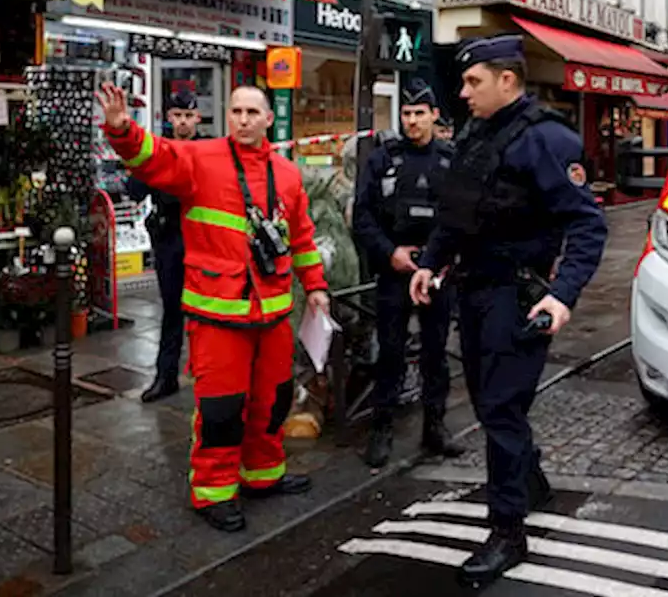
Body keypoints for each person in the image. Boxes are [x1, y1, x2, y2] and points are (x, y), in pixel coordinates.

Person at [409, 35, 607, 586]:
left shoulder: (545, 141)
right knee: (490, 401)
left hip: (516, 298)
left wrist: (562, 294)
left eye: (473, 82)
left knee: (498, 410)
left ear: (507, 81)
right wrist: (430, 261)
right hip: (473, 292)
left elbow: (588, 225)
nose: (463, 92)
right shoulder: (478, 133)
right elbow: (457, 212)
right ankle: (531, 480)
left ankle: (507, 532)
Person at [97, 82, 331, 533]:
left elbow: (300, 237)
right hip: (217, 315)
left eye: (251, 112)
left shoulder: (286, 174)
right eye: (235, 111)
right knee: (221, 411)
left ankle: (262, 476)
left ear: (268, 120)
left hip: (274, 314)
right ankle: (213, 491)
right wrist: (122, 128)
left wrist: (316, 286)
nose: (242, 119)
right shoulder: (200, 159)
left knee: (273, 402)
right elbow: (154, 158)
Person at [353, 79, 464, 468]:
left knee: (436, 353)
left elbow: (462, 218)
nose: (412, 121)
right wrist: (390, 253)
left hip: (437, 274)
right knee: (391, 353)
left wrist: (439, 260)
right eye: (406, 114)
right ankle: (381, 430)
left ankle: (435, 428)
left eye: (420, 113)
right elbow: (362, 216)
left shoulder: (452, 160)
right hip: (394, 272)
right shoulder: (382, 158)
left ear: (435, 115)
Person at [124, 89, 201, 403]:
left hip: (202, 238)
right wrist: (152, 165)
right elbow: (134, 190)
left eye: (188, 116)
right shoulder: (158, 150)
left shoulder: (209, 150)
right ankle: (165, 376)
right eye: (177, 116)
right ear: (169, 118)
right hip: (170, 237)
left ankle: (206, 374)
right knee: (171, 310)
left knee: (203, 312)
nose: (183, 123)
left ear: (197, 117)